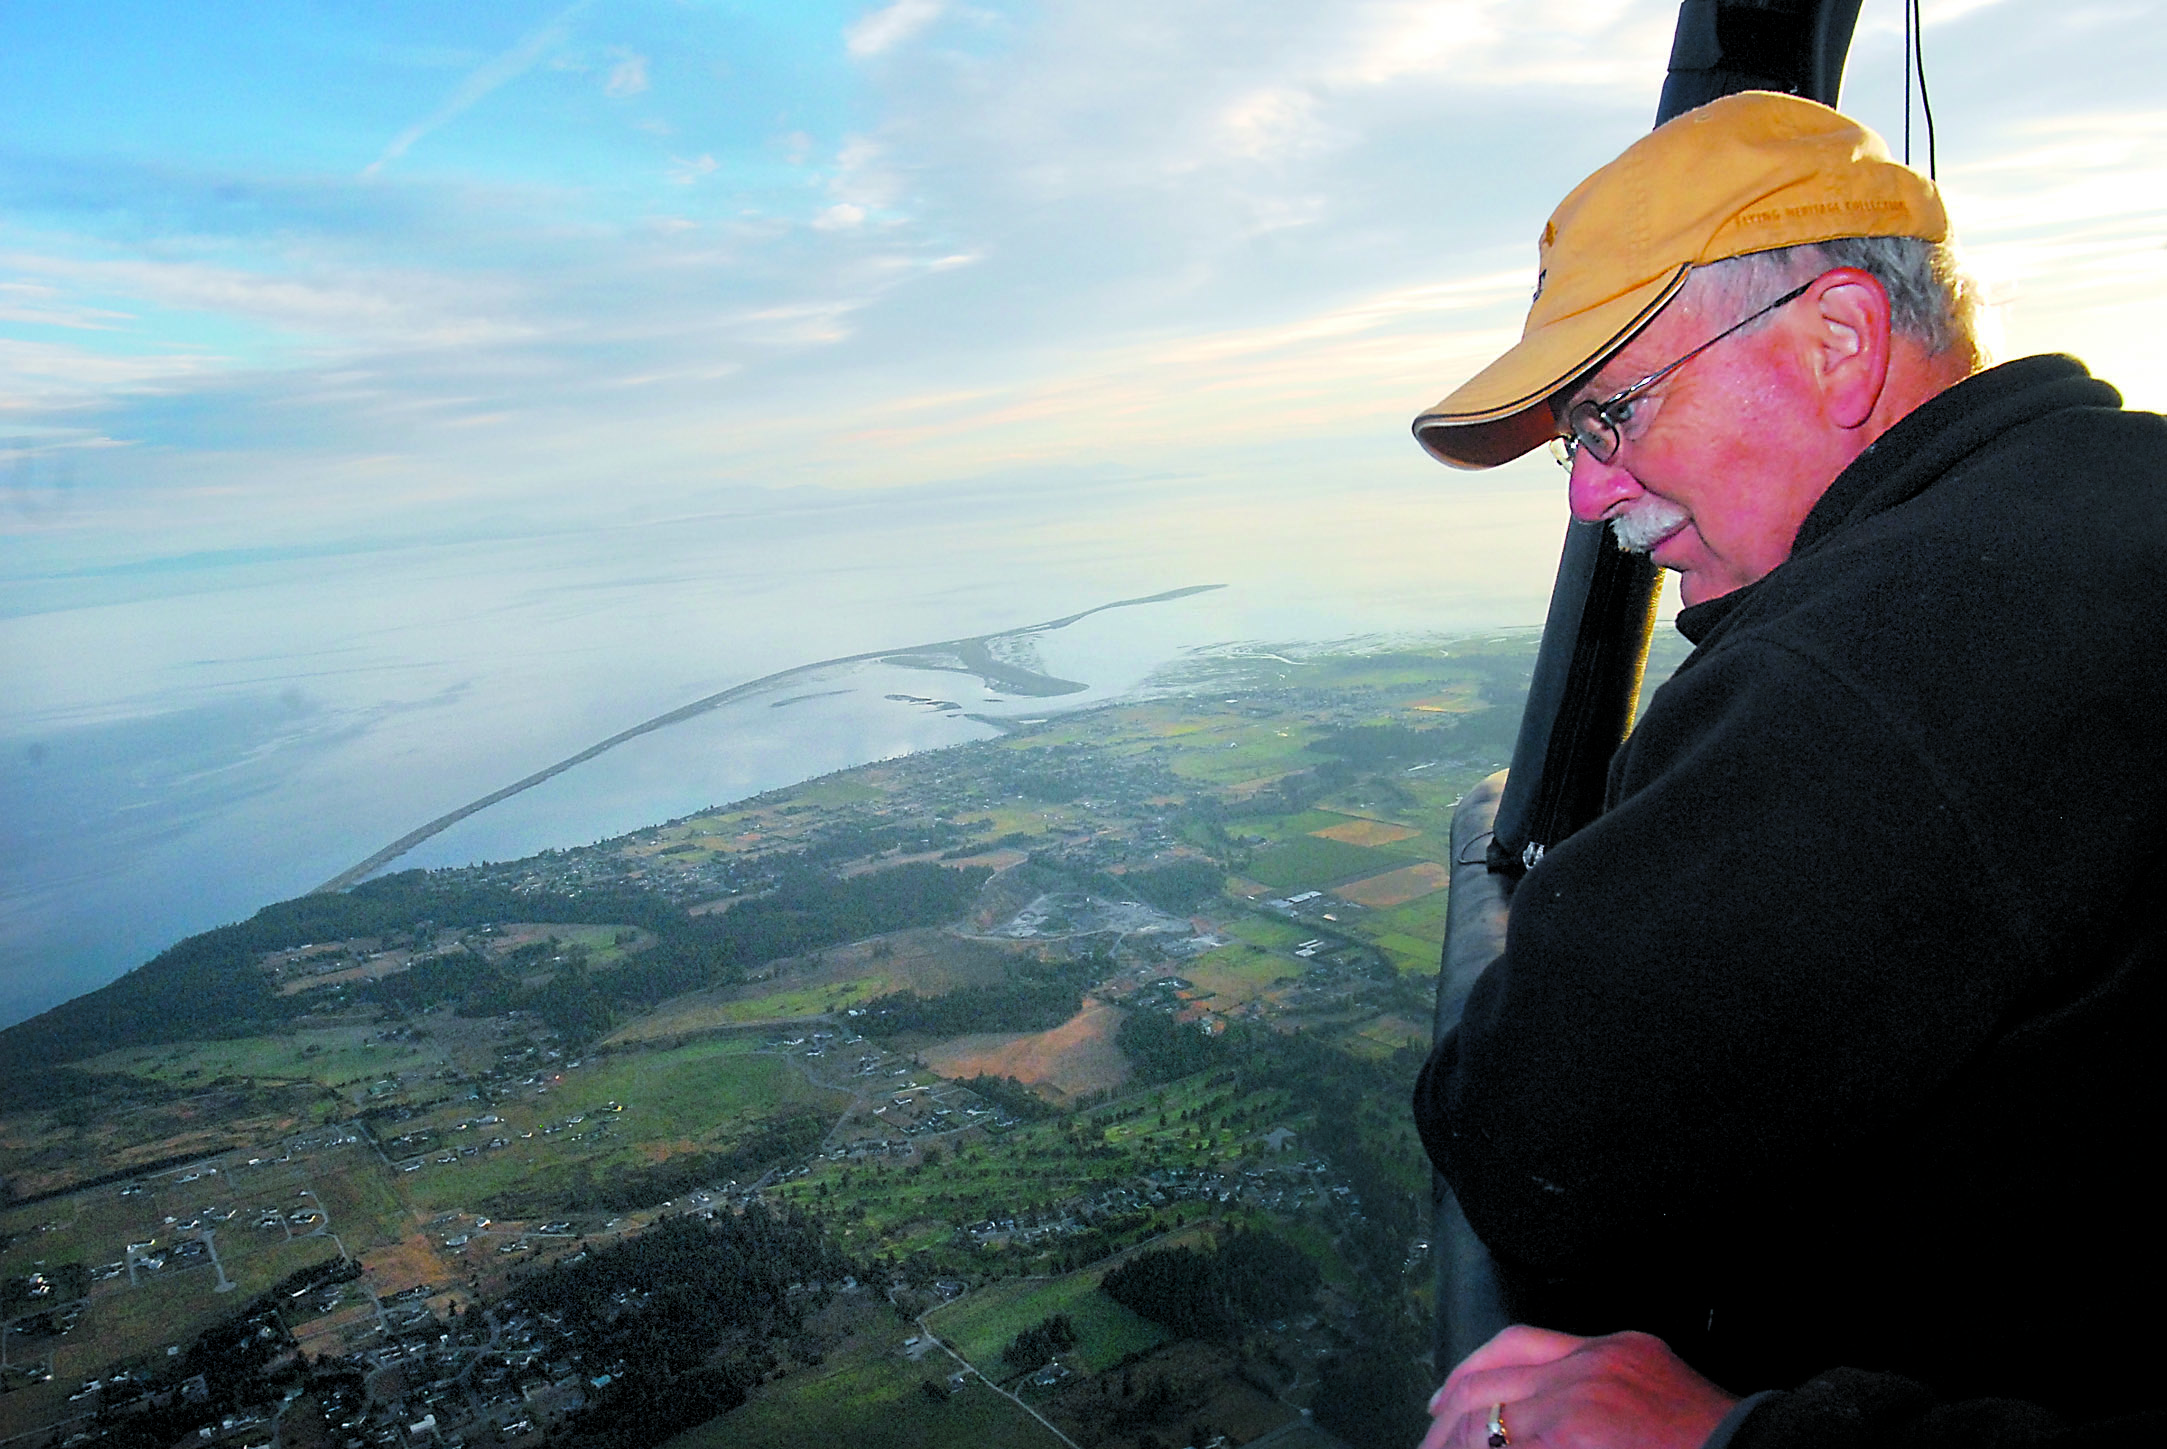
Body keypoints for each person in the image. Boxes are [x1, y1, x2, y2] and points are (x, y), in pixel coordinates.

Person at [1404, 92, 2167, 1447]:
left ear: (1836, 343)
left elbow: (1529, 1144)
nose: (1589, 494)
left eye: (1608, 417)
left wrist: (1753, 1435)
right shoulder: (2122, 492)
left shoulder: (1877, 666)